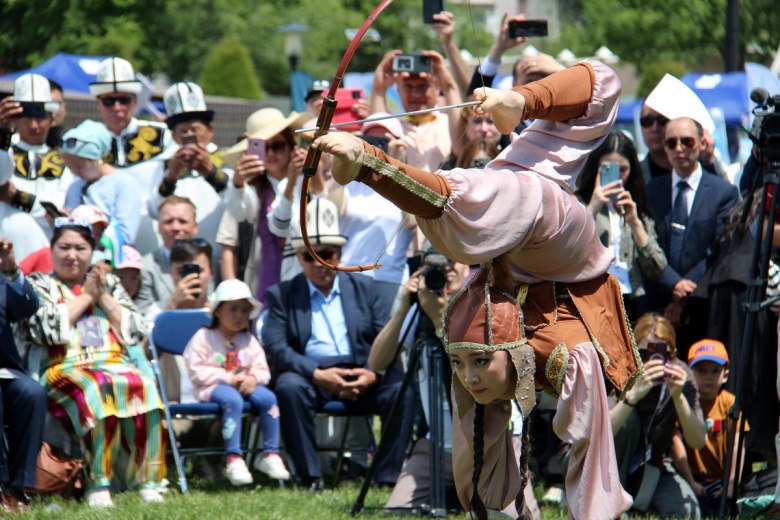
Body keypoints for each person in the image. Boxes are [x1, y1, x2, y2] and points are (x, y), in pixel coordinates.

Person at [311, 60, 639, 519]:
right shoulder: (528, 168)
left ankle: (516, 102)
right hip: (519, 261)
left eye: (478, 363)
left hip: (554, 255)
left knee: (495, 193)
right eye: (466, 365)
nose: (470, 375)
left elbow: (454, 194)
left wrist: (368, 163)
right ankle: (521, 101)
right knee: (476, 397)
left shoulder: (526, 199)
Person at [262, 198, 414, 492]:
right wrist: (317, 374)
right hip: (312, 375)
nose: (320, 263)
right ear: (298, 256)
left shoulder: (364, 287)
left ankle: (386, 477)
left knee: (400, 389)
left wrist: (372, 372)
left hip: (361, 368)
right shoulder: (282, 294)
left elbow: (385, 335)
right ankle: (310, 477)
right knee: (289, 387)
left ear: (341, 253)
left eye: (327, 254)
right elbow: (276, 348)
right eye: (310, 256)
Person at [18, 217, 166, 507]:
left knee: (144, 385)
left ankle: (147, 481)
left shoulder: (109, 283)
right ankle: (98, 483)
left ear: (92, 252)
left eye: (80, 248)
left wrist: (105, 298)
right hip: (61, 368)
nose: (72, 255)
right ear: (52, 250)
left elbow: (135, 331)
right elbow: (41, 329)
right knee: (98, 387)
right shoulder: (39, 283)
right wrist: (86, 297)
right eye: (64, 248)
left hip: (113, 362)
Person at [645, 117, 739, 354]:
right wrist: (671, 285)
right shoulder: (650, 190)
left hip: (703, 308)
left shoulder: (724, 193)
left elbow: (718, 250)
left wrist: (682, 295)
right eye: (671, 143)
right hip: (659, 306)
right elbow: (645, 243)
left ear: (701, 143)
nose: (679, 149)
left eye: (686, 141)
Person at [184, 278, 290, 485]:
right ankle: (233, 457)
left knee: (269, 399)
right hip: (212, 389)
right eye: (233, 309)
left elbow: (262, 369)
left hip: (244, 387)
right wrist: (229, 378)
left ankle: (270, 454)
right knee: (232, 400)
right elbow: (196, 370)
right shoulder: (204, 337)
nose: (240, 316)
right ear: (217, 311)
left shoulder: (248, 341)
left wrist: (252, 378)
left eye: (244, 311)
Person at [610, 313, 706, 518]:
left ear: (673, 354)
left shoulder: (682, 376)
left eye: (662, 354)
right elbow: (599, 433)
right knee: (629, 422)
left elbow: (698, 441)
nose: (652, 360)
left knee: (689, 512)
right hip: (606, 462)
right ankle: (608, 498)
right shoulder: (618, 369)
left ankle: (637, 497)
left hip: (652, 464)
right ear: (632, 351)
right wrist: (632, 397)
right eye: (644, 353)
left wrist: (679, 398)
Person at [219, 108, 312, 300]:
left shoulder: (306, 180)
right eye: (263, 147)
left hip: (310, 271)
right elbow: (239, 213)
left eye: (277, 145)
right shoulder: (252, 190)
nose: (271, 153)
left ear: (291, 146)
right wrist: (237, 183)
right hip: (269, 276)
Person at [575, 131, 667, 321]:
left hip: (632, 301)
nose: (618, 176)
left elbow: (657, 268)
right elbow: (567, 247)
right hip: (592, 298)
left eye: (623, 169)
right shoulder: (579, 203)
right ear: (596, 168)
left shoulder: (636, 206)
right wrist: (593, 207)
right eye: (608, 168)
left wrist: (634, 222)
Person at [89, 56, 174, 254]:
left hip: (151, 240)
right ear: (98, 103)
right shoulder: (87, 141)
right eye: (109, 101)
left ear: (135, 102)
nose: (117, 107)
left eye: (124, 100)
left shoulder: (161, 135)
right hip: (102, 242)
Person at [149, 82, 232, 256]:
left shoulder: (226, 158)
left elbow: (238, 202)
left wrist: (209, 171)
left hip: (220, 255)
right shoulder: (164, 164)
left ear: (210, 131)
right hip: (178, 256)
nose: (189, 136)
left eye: (195, 129)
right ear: (173, 136)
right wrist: (172, 175)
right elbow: (153, 209)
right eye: (183, 131)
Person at [671, 338, 746, 517]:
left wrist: (730, 483)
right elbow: (675, 442)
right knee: (696, 511)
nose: (709, 377)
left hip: (721, 479)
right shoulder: (683, 402)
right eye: (701, 370)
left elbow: (738, 445)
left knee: (727, 511)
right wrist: (690, 482)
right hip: (691, 477)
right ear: (690, 372)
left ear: (725, 374)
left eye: (715, 371)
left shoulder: (730, 403)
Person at [0, 238, 45, 514]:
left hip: (5, 370)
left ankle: (19, 487)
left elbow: (27, 307)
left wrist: (11, 271)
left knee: (32, 393)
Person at [0, 73, 74, 233]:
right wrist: (2, 132)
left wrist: (19, 198)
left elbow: (60, 213)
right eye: (25, 117)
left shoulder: (65, 158)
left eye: (40, 117)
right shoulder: (5, 149)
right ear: (15, 117)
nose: (34, 125)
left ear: (51, 118)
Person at [369, 49, 459, 171]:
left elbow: (462, 146)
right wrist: (379, 88)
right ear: (398, 90)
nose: (416, 94)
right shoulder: (394, 127)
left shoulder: (449, 125)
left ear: (437, 88)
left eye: (423, 86)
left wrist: (448, 86)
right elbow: (376, 144)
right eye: (408, 86)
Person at [61, 120, 142, 245]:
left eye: (79, 166)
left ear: (97, 159)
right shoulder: (75, 186)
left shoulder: (124, 184)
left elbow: (125, 234)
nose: (74, 172)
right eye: (69, 167)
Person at [135, 195, 200, 314]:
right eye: (169, 221)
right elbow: (141, 318)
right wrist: (173, 302)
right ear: (158, 227)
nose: (175, 227)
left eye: (183, 221)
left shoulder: (208, 264)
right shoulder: (143, 267)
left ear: (195, 227)